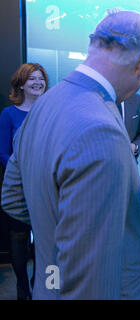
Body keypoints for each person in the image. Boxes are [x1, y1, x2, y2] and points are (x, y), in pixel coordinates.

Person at [1, 10, 140, 299]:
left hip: (47, 289)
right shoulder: (101, 130)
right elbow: (89, 283)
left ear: (93, 44)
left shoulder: (43, 105)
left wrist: (55, 236)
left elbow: (12, 198)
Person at [0, 63, 48, 299]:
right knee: (19, 238)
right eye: (32, 79)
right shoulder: (9, 114)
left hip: (45, 188)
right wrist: (23, 173)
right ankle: (22, 287)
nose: (38, 82)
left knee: (45, 239)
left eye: (41, 78)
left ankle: (41, 283)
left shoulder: (51, 112)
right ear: (20, 83)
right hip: (18, 187)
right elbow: (3, 152)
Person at [119, 94, 140, 159]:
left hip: (129, 163)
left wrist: (135, 146)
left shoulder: (138, 100)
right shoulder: (98, 99)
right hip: (103, 164)